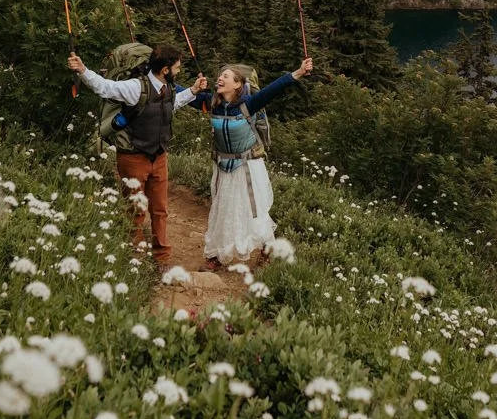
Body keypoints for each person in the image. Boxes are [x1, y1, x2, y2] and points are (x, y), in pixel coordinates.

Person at [67, 45, 206, 268]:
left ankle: (161, 257)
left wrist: (193, 91)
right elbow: (105, 88)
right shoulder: (134, 87)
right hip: (133, 157)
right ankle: (136, 255)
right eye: (177, 67)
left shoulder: (167, 88)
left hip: (159, 157)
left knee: (160, 209)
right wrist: (83, 70)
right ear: (165, 69)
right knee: (135, 209)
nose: (179, 71)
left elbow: (172, 105)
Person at [196, 56, 313, 271]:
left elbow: (273, 89)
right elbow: (179, 95)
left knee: (255, 209)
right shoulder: (210, 102)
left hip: (248, 166)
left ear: (238, 84)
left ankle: (266, 247)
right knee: (223, 208)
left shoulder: (248, 105)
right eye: (220, 75)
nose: (220, 78)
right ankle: (215, 254)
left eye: (226, 76)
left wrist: (298, 72)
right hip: (223, 166)